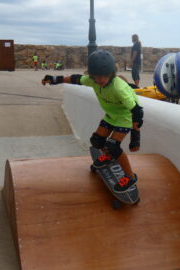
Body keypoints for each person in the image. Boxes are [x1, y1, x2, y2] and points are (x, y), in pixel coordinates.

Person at [42, 50, 143, 193]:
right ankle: (108, 156)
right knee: (97, 141)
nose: (101, 80)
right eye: (97, 77)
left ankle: (130, 176)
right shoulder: (93, 81)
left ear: (111, 73)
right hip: (111, 115)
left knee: (113, 147)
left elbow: (137, 112)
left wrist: (135, 138)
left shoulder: (118, 88)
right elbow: (75, 79)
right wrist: (55, 79)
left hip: (125, 117)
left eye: (105, 76)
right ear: (92, 76)